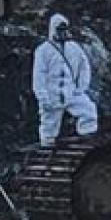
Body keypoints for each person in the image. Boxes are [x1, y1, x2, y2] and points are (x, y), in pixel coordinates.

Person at [33, 14, 99, 146]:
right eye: (59, 29)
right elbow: (39, 75)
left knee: (88, 110)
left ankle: (87, 138)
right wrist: (42, 96)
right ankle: (47, 147)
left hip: (71, 92)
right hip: (51, 95)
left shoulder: (74, 48)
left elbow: (84, 67)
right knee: (49, 125)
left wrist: (81, 88)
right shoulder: (43, 50)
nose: (62, 32)